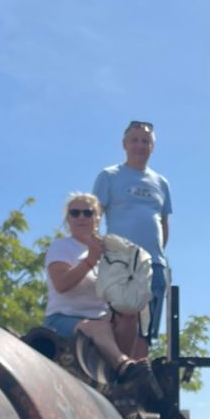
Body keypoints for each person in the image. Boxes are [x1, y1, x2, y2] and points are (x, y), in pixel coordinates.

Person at [43, 191, 151, 387]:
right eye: (75, 213)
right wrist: (90, 261)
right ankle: (122, 365)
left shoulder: (110, 250)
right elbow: (61, 285)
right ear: (68, 219)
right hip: (63, 318)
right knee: (99, 327)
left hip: (103, 319)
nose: (81, 217)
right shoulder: (61, 247)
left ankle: (121, 380)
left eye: (88, 212)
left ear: (97, 219)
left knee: (129, 317)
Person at [93, 121, 172, 354]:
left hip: (154, 264)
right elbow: (94, 216)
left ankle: (138, 372)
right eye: (135, 140)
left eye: (145, 141)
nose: (140, 146)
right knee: (117, 323)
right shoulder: (109, 176)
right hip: (120, 262)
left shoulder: (161, 183)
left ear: (152, 147)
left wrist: (156, 253)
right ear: (124, 144)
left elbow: (164, 222)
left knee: (146, 331)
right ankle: (116, 370)